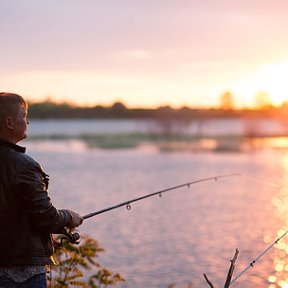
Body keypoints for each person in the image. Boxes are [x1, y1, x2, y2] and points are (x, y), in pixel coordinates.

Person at [0, 92, 83, 287]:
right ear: (10, 122)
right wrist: (69, 217)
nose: (27, 122)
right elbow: (46, 217)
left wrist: (41, 241)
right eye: (24, 116)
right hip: (22, 276)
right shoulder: (24, 166)